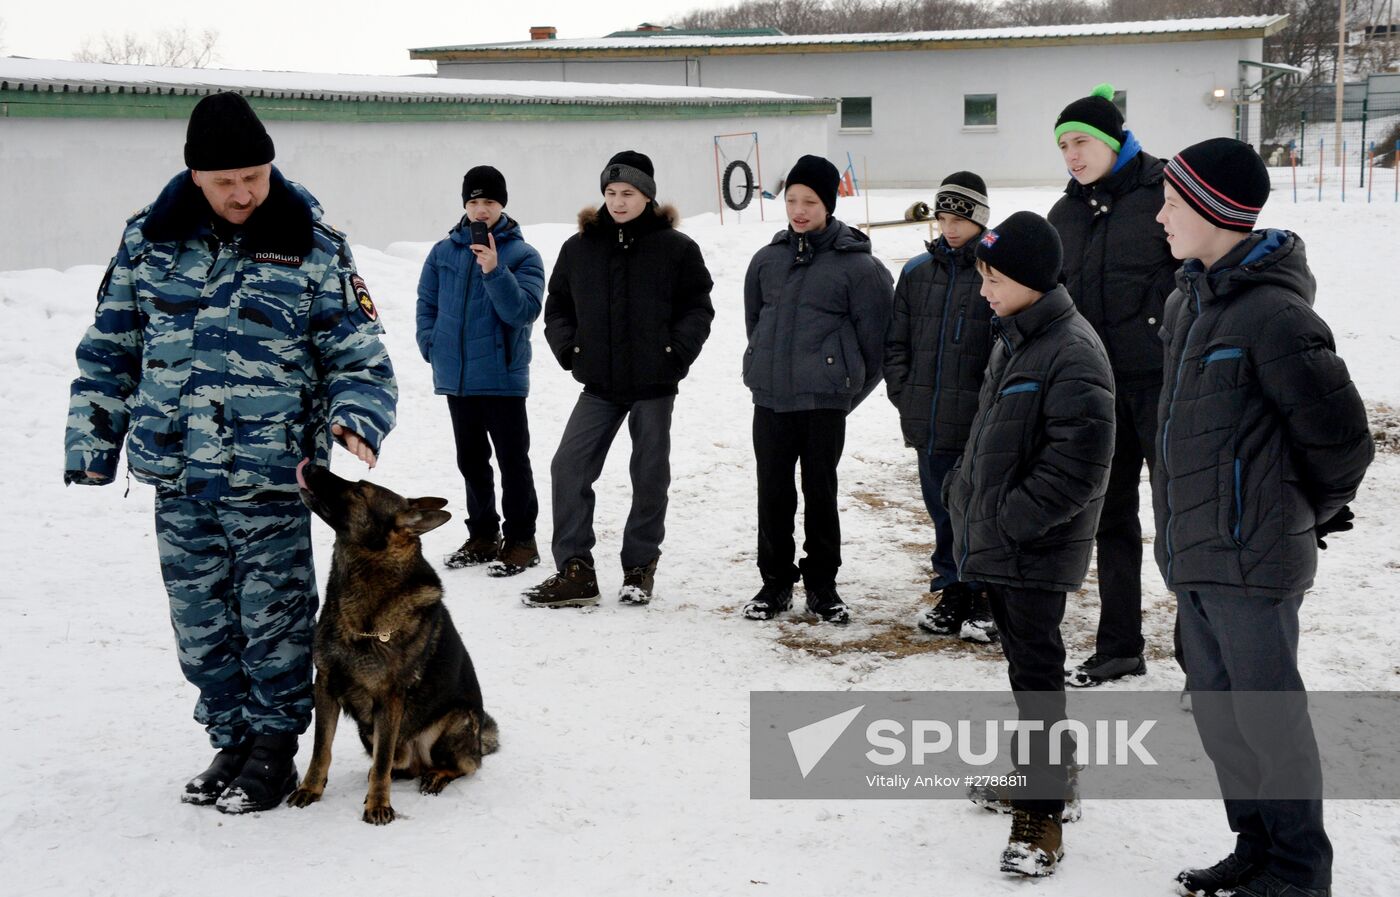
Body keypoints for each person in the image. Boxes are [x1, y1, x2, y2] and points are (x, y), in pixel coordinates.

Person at [63, 92, 397, 814]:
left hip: (272, 474)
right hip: (179, 472)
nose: (245, 192)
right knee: (200, 622)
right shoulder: (148, 242)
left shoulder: (312, 243)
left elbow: (359, 355)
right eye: (226, 182)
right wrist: (94, 440)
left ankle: (274, 748)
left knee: (273, 619)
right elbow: (111, 349)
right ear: (194, 178)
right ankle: (231, 737)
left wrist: (356, 418)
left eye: (255, 174)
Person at [1154, 138, 1372, 897]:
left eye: (1173, 204)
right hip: (1196, 557)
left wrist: (1302, 510)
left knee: (1270, 721)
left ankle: (1299, 870)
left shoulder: (1277, 315)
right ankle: (1256, 846)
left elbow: (1343, 442)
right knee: (1223, 719)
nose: (1161, 216)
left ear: (1215, 212)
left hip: (1255, 562)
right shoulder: (1188, 302)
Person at [943, 211, 1115, 876]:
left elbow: (1077, 465)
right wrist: (966, 500)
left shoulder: (1073, 351)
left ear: (1031, 281)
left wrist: (1009, 521)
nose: (983, 288)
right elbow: (990, 435)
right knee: (1027, 672)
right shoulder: (1015, 339)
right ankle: (1050, 775)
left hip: (1036, 546)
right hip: (1005, 540)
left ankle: (1042, 811)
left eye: (993, 277)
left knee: (1038, 678)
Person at [524, 150, 714, 607]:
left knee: (649, 474)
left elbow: (698, 307)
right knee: (568, 466)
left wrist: (675, 353)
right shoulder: (579, 248)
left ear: (647, 196)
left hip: (654, 383)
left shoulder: (677, 248)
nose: (618, 201)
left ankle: (639, 567)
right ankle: (575, 570)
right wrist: (570, 349)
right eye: (610, 192)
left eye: (628, 193)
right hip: (600, 385)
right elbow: (559, 308)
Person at [1048, 83, 1181, 687]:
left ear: (1112, 141)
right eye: (1063, 146)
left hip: (1165, 383)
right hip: (1099, 386)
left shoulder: (1165, 194)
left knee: (1180, 516)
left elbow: (1195, 274)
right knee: (1111, 518)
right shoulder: (1065, 213)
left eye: (1081, 142)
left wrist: (1160, 327)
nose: (1072, 155)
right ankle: (1120, 644)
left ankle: (1200, 657)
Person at [740, 154, 893, 624]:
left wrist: (842, 393)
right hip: (771, 399)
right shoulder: (767, 260)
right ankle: (775, 582)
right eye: (791, 200)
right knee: (773, 492)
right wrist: (764, 367)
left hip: (824, 403)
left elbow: (877, 346)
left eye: (809, 201)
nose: (799, 210)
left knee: (820, 491)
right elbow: (755, 323)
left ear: (828, 203)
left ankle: (822, 585)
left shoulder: (859, 268)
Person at [883, 171, 997, 642]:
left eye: (960, 219)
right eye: (944, 217)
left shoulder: (996, 270)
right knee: (942, 508)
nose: (949, 228)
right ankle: (952, 588)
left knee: (982, 509)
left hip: (981, 422)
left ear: (980, 221)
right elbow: (896, 344)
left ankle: (987, 593)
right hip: (928, 419)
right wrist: (906, 395)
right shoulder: (915, 273)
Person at [417, 165, 545, 577]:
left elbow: (522, 312)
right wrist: (430, 344)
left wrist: (494, 269)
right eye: (473, 202)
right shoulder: (442, 252)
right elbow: (426, 302)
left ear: (502, 204)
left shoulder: (523, 255)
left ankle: (522, 539)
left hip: (502, 377)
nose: (480, 209)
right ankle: (484, 535)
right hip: (457, 378)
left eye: (488, 201)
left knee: (512, 461)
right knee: (471, 461)